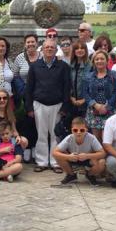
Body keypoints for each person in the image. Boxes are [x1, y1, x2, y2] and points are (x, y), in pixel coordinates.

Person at [25, 39, 71, 173]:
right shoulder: (35, 66)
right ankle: (42, 162)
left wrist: (64, 108)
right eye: (47, 47)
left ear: (56, 50)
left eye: (52, 47)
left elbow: (67, 88)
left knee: (55, 135)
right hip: (39, 104)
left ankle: (56, 162)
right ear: (42, 50)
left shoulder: (63, 67)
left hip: (57, 105)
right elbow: (29, 88)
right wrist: (29, 108)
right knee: (41, 134)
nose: (49, 49)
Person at [82, 50, 116, 143]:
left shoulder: (114, 75)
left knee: (107, 139)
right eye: (97, 59)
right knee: (96, 139)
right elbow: (84, 93)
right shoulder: (88, 76)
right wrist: (95, 105)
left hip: (109, 110)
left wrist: (107, 106)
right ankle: (99, 156)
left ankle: (108, 157)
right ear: (93, 61)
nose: (99, 61)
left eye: (102, 59)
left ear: (107, 60)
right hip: (94, 111)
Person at [53, 117, 106, 186]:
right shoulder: (69, 138)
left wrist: (87, 156)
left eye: (82, 130)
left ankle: (90, 175)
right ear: (72, 130)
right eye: (75, 130)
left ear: (86, 130)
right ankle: (71, 175)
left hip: (88, 159)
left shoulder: (92, 138)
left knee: (102, 162)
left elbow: (103, 153)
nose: (78, 132)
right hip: (73, 158)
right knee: (59, 156)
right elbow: (54, 152)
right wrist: (68, 156)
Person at [69, 41, 92, 119]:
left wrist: (84, 99)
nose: (79, 50)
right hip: (72, 103)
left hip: (86, 104)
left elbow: (93, 85)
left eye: (82, 48)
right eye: (77, 48)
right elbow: (67, 83)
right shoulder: (70, 65)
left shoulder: (90, 66)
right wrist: (71, 97)